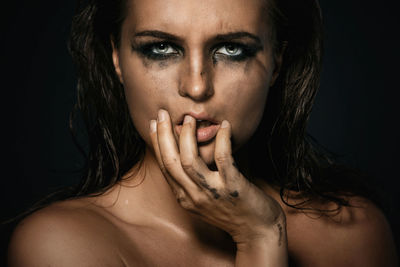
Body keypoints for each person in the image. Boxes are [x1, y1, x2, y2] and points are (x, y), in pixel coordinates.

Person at [7, 0, 398, 266]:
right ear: (116, 58)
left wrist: (263, 231)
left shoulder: (351, 236)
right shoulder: (62, 246)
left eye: (231, 49)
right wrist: (259, 243)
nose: (196, 87)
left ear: (277, 60)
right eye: (160, 48)